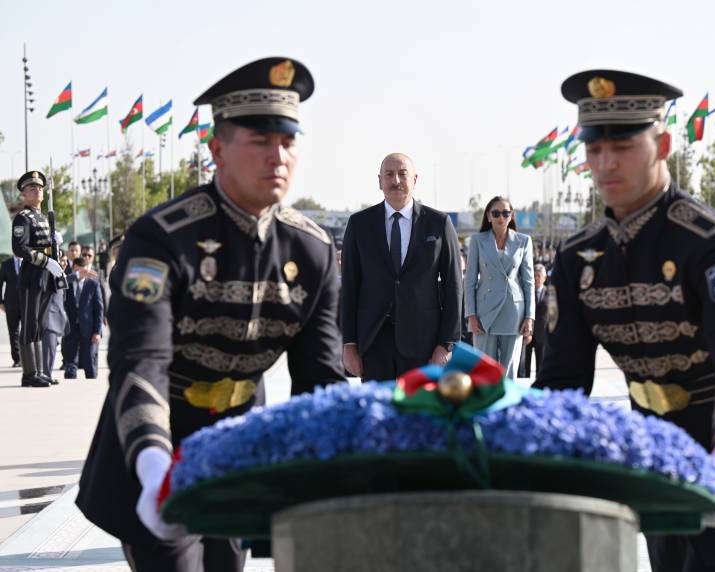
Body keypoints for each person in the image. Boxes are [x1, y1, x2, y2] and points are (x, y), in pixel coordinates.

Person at [75, 57, 345, 572]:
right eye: (260, 141)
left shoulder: (312, 251)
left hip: (237, 448)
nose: (278, 157)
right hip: (155, 439)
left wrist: (337, 470)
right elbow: (140, 362)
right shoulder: (162, 236)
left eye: (288, 142)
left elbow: (321, 378)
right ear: (217, 149)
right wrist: (156, 467)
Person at [534, 69, 715, 572]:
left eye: (622, 145)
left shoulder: (712, 239)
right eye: (594, 149)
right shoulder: (579, 256)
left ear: (661, 145)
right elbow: (562, 378)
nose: (605, 162)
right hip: (657, 440)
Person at [340, 153, 462, 380]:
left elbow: (453, 286)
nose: (396, 180)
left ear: (415, 179)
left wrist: (446, 344)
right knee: (377, 413)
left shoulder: (438, 223)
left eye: (402, 174)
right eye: (389, 174)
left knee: (419, 414)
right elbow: (349, 286)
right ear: (379, 181)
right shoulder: (359, 224)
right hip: (372, 343)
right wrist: (348, 343)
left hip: (423, 344)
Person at [464, 196, 534, 378]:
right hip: (483, 314)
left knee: (509, 371)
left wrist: (529, 316)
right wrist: (471, 315)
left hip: (514, 312)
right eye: (496, 213)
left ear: (512, 216)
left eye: (505, 213)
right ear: (488, 216)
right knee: (484, 370)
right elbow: (470, 281)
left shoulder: (524, 241)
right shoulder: (477, 241)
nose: (500, 217)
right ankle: (487, 406)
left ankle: (508, 406)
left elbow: (528, 282)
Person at [11, 171, 66, 388]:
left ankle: (40, 371)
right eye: (32, 188)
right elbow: (19, 248)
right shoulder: (22, 218)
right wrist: (45, 261)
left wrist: (56, 249)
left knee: (40, 324)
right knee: (30, 323)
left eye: (40, 188)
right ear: (24, 194)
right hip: (32, 275)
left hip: (46, 276)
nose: (38, 191)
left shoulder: (43, 218)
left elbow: (46, 246)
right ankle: (29, 373)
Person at [64, 257, 104, 379]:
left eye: (84, 272)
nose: (82, 275)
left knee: (89, 359)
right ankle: (71, 378)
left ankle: (91, 378)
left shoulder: (93, 284)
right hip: (70, 327)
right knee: (70, 359)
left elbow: (99, 309)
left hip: (88, 328)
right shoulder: (67, 284)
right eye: (78, 272)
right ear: (73, 270)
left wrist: (97, 331)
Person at [519, 263, 549, 377]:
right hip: (527, 334)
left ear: (544, 278)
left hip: (542, 335)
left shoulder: (549, 292)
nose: (536, 278)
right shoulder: (526, 293)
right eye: (534, 275)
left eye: (539, 275)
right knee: (523, 366)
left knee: (541, 366)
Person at [41, 282, 68, 385]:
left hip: (57, 312)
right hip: (48, 312)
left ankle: (47, 375)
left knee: (51, 348)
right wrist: (77, 275)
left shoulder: (59, 269)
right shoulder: (48, 267)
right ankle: (45, 375)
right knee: (48, 347)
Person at [0, 256, 22, 367]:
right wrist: (0, 302)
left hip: (27, 303)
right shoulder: (6, 264)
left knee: (28, 331)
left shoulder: (30, 261)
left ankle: (28, 358)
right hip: (11, 303)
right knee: (13, 332)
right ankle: (17, 359)